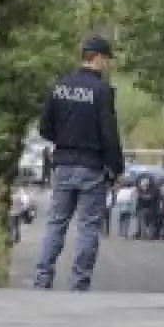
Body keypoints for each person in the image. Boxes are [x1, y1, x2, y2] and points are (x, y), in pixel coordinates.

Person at [33, 35, 124, 291]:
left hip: (62, 164)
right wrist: (116, 168)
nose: (107, 65)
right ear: (98, 57)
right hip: (91, 167)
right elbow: (109, 132)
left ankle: (42, 279)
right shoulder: (102, 91)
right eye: (106, 59)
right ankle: (79, 284)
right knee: (88, 227)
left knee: (55, 223)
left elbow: (44, 127)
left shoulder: (60, 85)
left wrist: (63, 140)